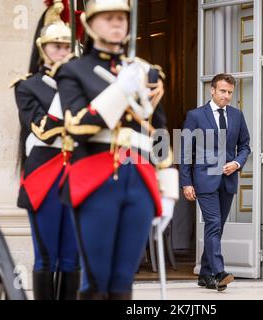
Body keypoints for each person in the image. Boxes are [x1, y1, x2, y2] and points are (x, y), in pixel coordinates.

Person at [56, 0, 178, 300]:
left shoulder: (147, 71)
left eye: (122, 18)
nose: (116, 24)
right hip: (95, 178)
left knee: (124, 283)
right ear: (91, 24)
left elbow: (159, 131)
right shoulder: (74, 70)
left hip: (138, 179)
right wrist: (120, 91)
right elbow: (77, 125)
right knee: (97, 282)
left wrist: (168, 188)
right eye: (108, 18)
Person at [11, 0, 80, 300]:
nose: (62, 52)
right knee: (47, 258)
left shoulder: (82, 84)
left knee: (72, 258)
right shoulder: (27, 86)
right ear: (43, 49)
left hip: (77, 176)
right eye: (56, 46)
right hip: (44, 177)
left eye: (67, 47)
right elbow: (44, 128)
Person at [179, 74, 251, 291]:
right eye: (222, 91)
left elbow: (245, 145)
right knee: (213, 224)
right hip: (204, 180)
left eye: (230, 92)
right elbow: (185, 151)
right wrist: (186, 182)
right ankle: (219, 273)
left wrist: (237, 164)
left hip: (228, 180)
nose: (227, 96)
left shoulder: (237, 116)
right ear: (212, 90)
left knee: (216, 228)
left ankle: (204, 274)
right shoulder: (196, 116)